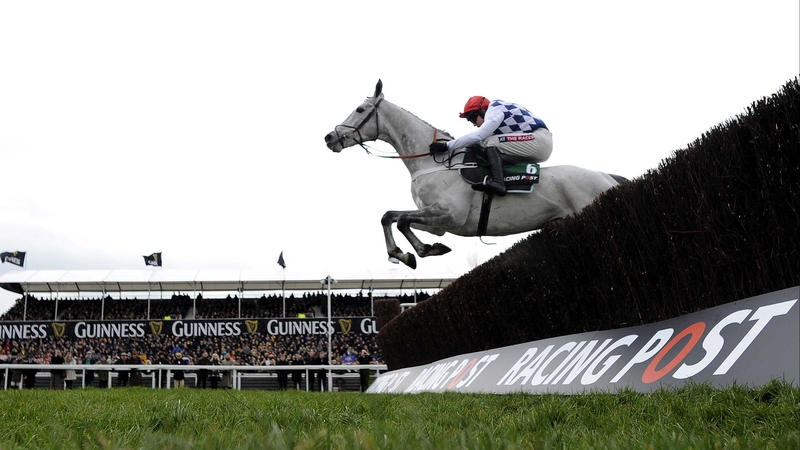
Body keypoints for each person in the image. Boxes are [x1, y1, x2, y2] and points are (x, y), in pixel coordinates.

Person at [429, 96, 552, 196]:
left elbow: (478, 136)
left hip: (539, 139)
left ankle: (499, 182)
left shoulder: (494, 109)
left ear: (482, 110)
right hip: (535, 143)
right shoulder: (496, 112)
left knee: (488, 141)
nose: (474, 124)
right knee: (482, 146)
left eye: (472, 118)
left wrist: (447, 146)